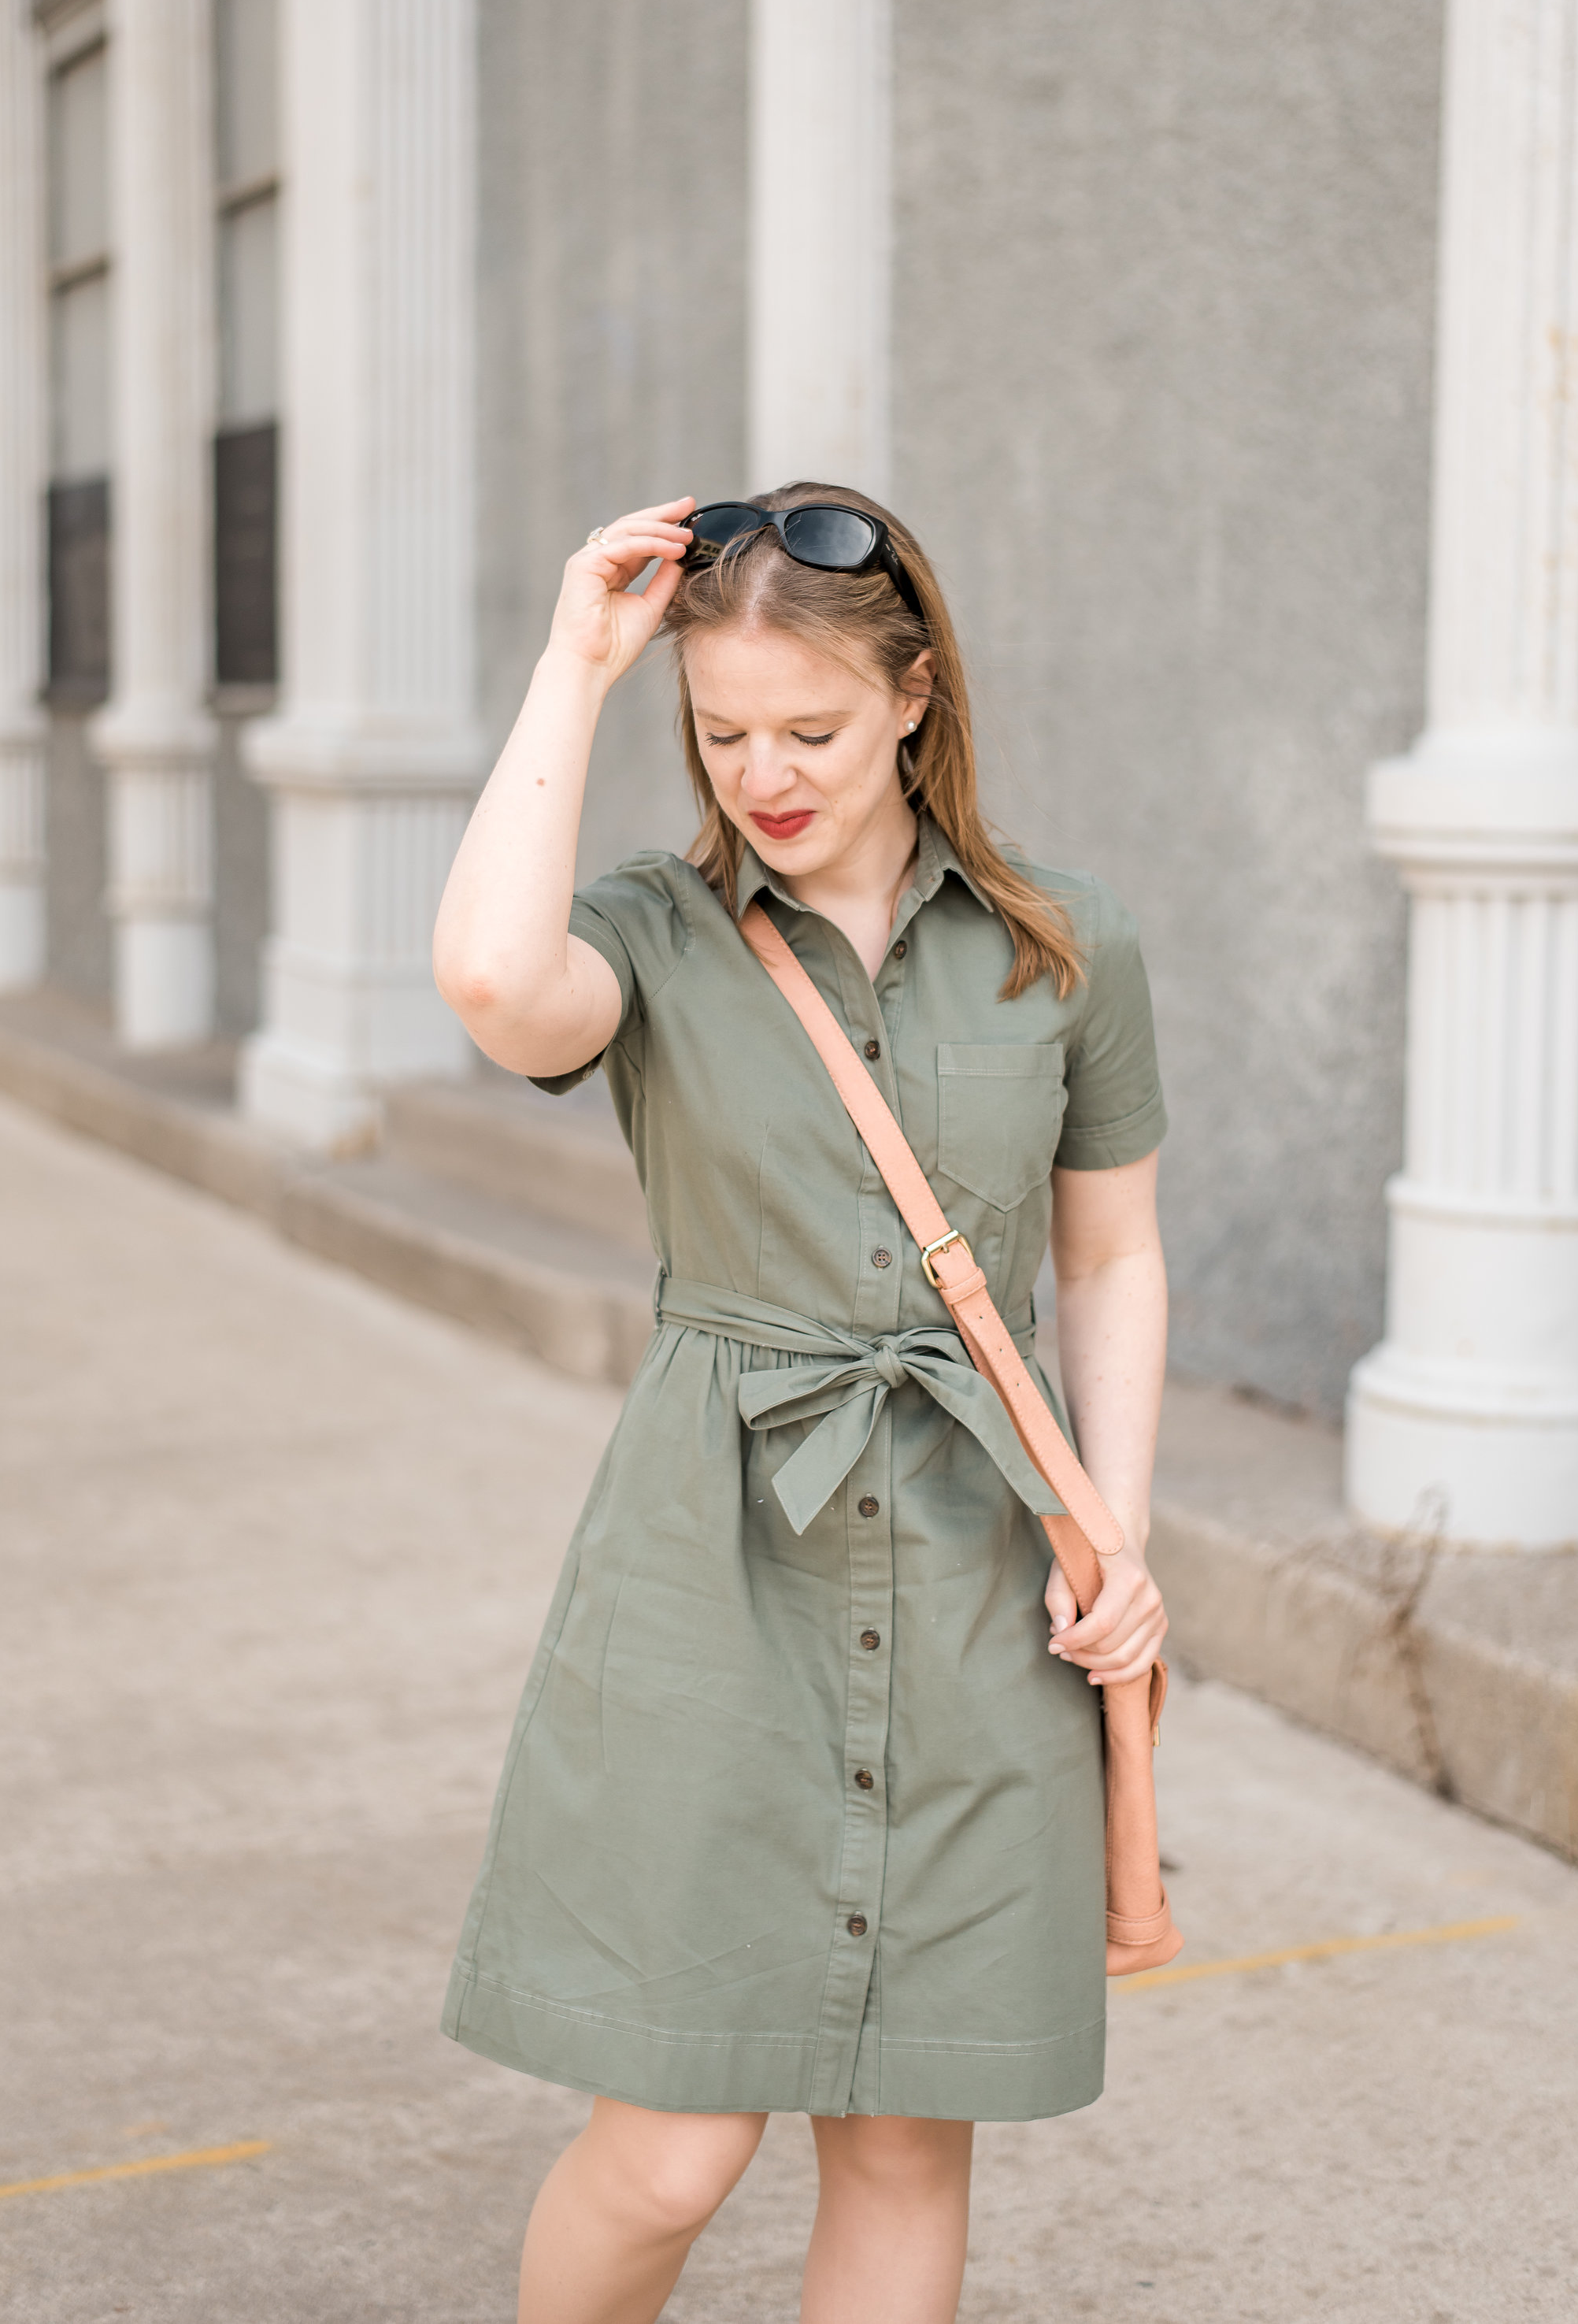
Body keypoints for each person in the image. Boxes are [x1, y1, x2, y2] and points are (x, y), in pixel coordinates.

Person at [432, 483, 1170, 2324]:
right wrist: (572, 667)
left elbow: (1109, 1261)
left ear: (914, 697)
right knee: (674, 2144)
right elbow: (491, 982)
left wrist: (1117, 1528)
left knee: (911, 2137)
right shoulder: (655, 935)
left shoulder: (1063, 944)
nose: (766, 771)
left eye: (813, 729)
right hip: (710, 1574)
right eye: (722, 730)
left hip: (984, 1572)